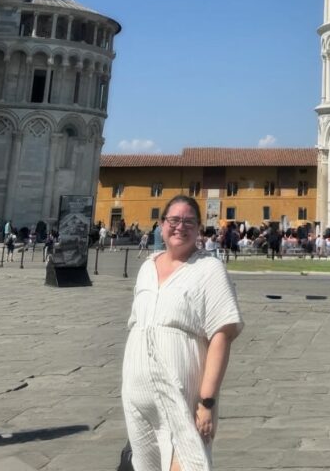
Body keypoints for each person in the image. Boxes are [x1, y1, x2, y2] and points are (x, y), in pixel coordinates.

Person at [121, 194, 242, 471]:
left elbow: (221, 335)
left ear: (198, 228)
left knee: (188, 463)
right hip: (137, 397)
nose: (180, 227)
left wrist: (207, 401)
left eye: (189, 221)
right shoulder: (146, 268)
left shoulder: (209, 269)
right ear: (162, 225)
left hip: (182, 397)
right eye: (174, 220)